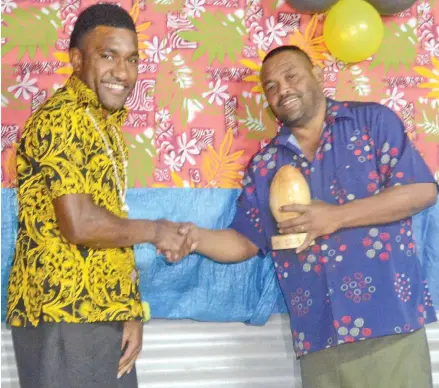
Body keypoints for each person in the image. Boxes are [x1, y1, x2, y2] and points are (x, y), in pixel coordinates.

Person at [174, 45, 438, 387]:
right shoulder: (266, 165)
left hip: (388, 325)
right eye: (270, 86)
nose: (282, 89)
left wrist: (335, 217)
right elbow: (244, 240)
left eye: (291, 75)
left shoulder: (372, 121)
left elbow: (422, 191)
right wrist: (194, 238)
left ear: (317, 75)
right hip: (318, 338)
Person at [6, 4, 191, 388]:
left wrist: (130, 310)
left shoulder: (103, 125)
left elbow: (112, 227)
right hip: (65, 312)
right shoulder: (62, 118)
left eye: (131, 60)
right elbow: (81, 224)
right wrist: (157, 231)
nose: (122, 73)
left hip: (100, 312)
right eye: (108, 56)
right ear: (76, 59)